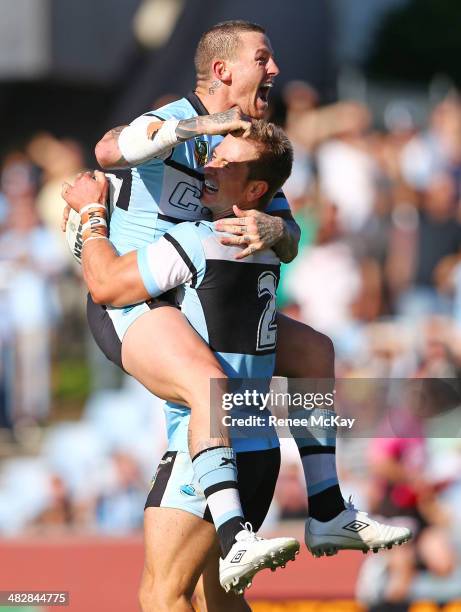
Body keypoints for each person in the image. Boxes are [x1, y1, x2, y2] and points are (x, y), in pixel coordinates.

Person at [65, 19, 410, 560]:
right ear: (224, 70)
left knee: (315, 351)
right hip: (136, 295)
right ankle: (234, 537)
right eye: (262, 58)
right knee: (209, 385)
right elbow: (108, 151)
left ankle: (325, 508)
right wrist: (197, 129)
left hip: (196, 290)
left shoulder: (246, 146)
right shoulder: (179, 120)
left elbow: (291, 235)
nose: (274, 69)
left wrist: (275, 228)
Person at [64, 122, 300, 609]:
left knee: (161, 594)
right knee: (217, 598)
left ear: (255, 189)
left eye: (226, 163)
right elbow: (317, 346)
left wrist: (90, 215)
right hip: (261, 448)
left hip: (209, 448)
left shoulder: (197, 240)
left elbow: (107, 284)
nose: (209, 166)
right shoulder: (269, 247)